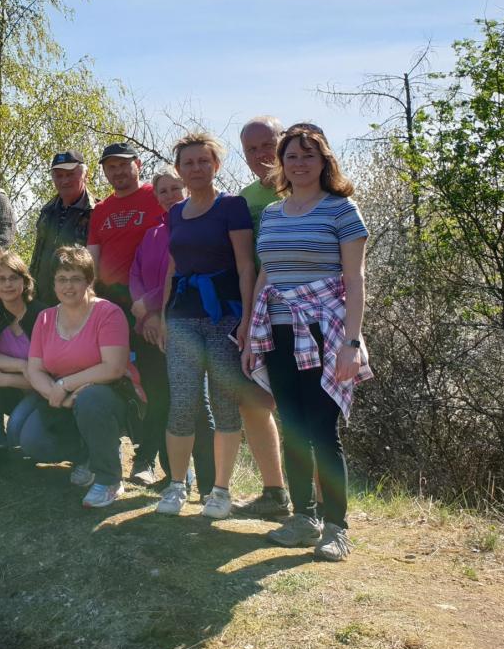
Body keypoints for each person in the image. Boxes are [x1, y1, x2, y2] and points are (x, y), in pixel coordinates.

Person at [244, 123, 371, 561]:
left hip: (325, 333)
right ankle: (303, 518)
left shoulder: (341, 210)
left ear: (324, 161)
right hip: (277, 333)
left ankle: (336, 527)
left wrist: (351, 342)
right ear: (281, 163)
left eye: (308, 155)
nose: (299, 163)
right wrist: (252, 337)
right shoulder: (272, 214)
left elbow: (355, 281)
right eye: (292, 156)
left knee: (322, 430)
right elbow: (266, 275)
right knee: (295, 429)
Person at [153, 133, 270, 520]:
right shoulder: (175, 213)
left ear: (216, 165)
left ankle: (220, 491)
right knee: (182, 402)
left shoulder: (232, 206)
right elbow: (173, 268)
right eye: (188, 163)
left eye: (204, 161)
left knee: (224, 405)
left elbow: (245, 266)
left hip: (225, 317)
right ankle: (176, 486)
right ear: (179, 170)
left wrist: (248, 320)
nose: (197, 168)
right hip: (182, 318)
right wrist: (164, 315)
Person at [10, 246, 146, 508]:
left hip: (109, 395)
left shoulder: (108, 313)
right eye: (61, 279)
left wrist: (65, 385)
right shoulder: (45, 318)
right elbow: (35, 368)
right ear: (53, 283)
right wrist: (56, 394)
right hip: (63, 398)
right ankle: (88, 454)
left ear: (89, 281)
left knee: (90, 399)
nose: (68, 286)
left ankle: (109, 478)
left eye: (75, 278)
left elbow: (114, 368)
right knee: (29, 440)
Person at [129, 168, 215, 491]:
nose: (169, 196)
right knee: (161, 401)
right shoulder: (151, 234)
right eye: (162, 191)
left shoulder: (194, 229)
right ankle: (174, 477)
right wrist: (146, 316)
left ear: (186, 189)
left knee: (194, 404)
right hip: (150, 332)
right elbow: (135, 274)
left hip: (185, 325)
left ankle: (209, 485)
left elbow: (179, 276)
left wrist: (151, 305)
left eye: (175, 189)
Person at [87, 143, 166, 481]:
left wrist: (154, 308)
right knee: (112, 379)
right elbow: (91, 258)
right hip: (110, 304)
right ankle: (103, 454)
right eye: (111, 166)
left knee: (155, 381)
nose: (117, 171)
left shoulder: (156, 197)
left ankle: (149, 461)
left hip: (149, 303)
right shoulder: (101, 210)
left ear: (138, 164)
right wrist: (87, 299)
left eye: (123, 164)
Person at [228, 115, 293, 520]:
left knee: (302, 410)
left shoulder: (306, 185)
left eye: (267, 144)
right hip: (257, 309)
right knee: (253, 400)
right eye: (251, 149)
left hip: (305, 311)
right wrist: (246, 315)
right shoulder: (245, 198)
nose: (260, 155)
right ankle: (274, 492)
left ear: (283, 142)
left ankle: (320, 505)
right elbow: (245, 263)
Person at [0, 250, 49, 466]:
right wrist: (22, 365)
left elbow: (50, 374)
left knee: (18, 432)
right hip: (12, 388)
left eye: (13, 277)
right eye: (1, 279)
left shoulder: (42, 315)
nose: (7, 284)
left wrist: (7, 378)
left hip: (42, 392)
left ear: (25, 281)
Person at [29, 151, 95, 304]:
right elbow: (37, 256)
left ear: (85, 174)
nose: (64, 180)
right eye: (59, 176)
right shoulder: (47, 211)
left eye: (70, 174)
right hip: (41, 299)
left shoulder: (96, 211)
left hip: (77, 301)